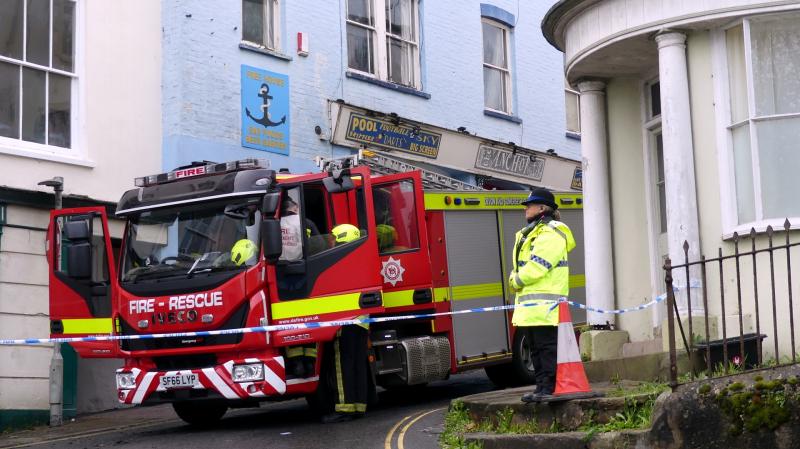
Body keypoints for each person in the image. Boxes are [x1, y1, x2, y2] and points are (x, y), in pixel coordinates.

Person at [507, 187, 576, 402]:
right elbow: (521, 265)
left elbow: (538, 266)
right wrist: (515, 278)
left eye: (530, 205)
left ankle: (549, 389)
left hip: (546, 306)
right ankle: (541, 388)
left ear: (542, 208)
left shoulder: (551, 232)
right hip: (532, 307)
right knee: (536, 349)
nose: (526, 209)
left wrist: (515, 281)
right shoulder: (530, 233)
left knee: (546, 348)